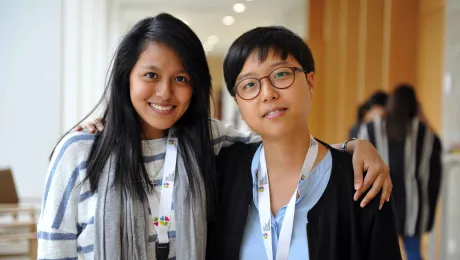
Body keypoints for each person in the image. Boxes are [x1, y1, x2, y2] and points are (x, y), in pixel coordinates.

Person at [39, 13, 391, 260]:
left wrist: (353, 148)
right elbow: (55, 251)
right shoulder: (79, 154)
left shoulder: (207, 143)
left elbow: (280, 141)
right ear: (125, 77)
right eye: (150, 75)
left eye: (181, 79)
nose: (164, 92)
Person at [207, 26, 401, 260]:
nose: (267, 93)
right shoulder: (223, 173)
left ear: (310, 82)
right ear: (238, 103)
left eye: (280, 74)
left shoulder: (361, 184)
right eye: (249, 84)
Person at [359, 84, 442, 260]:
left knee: (379, 252)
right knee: (413, 252)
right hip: (414, 205)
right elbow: (436, 161)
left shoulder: (372, 128)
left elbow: (358, 161)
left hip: (379, 200)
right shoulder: (424, 133)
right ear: (415, 105)